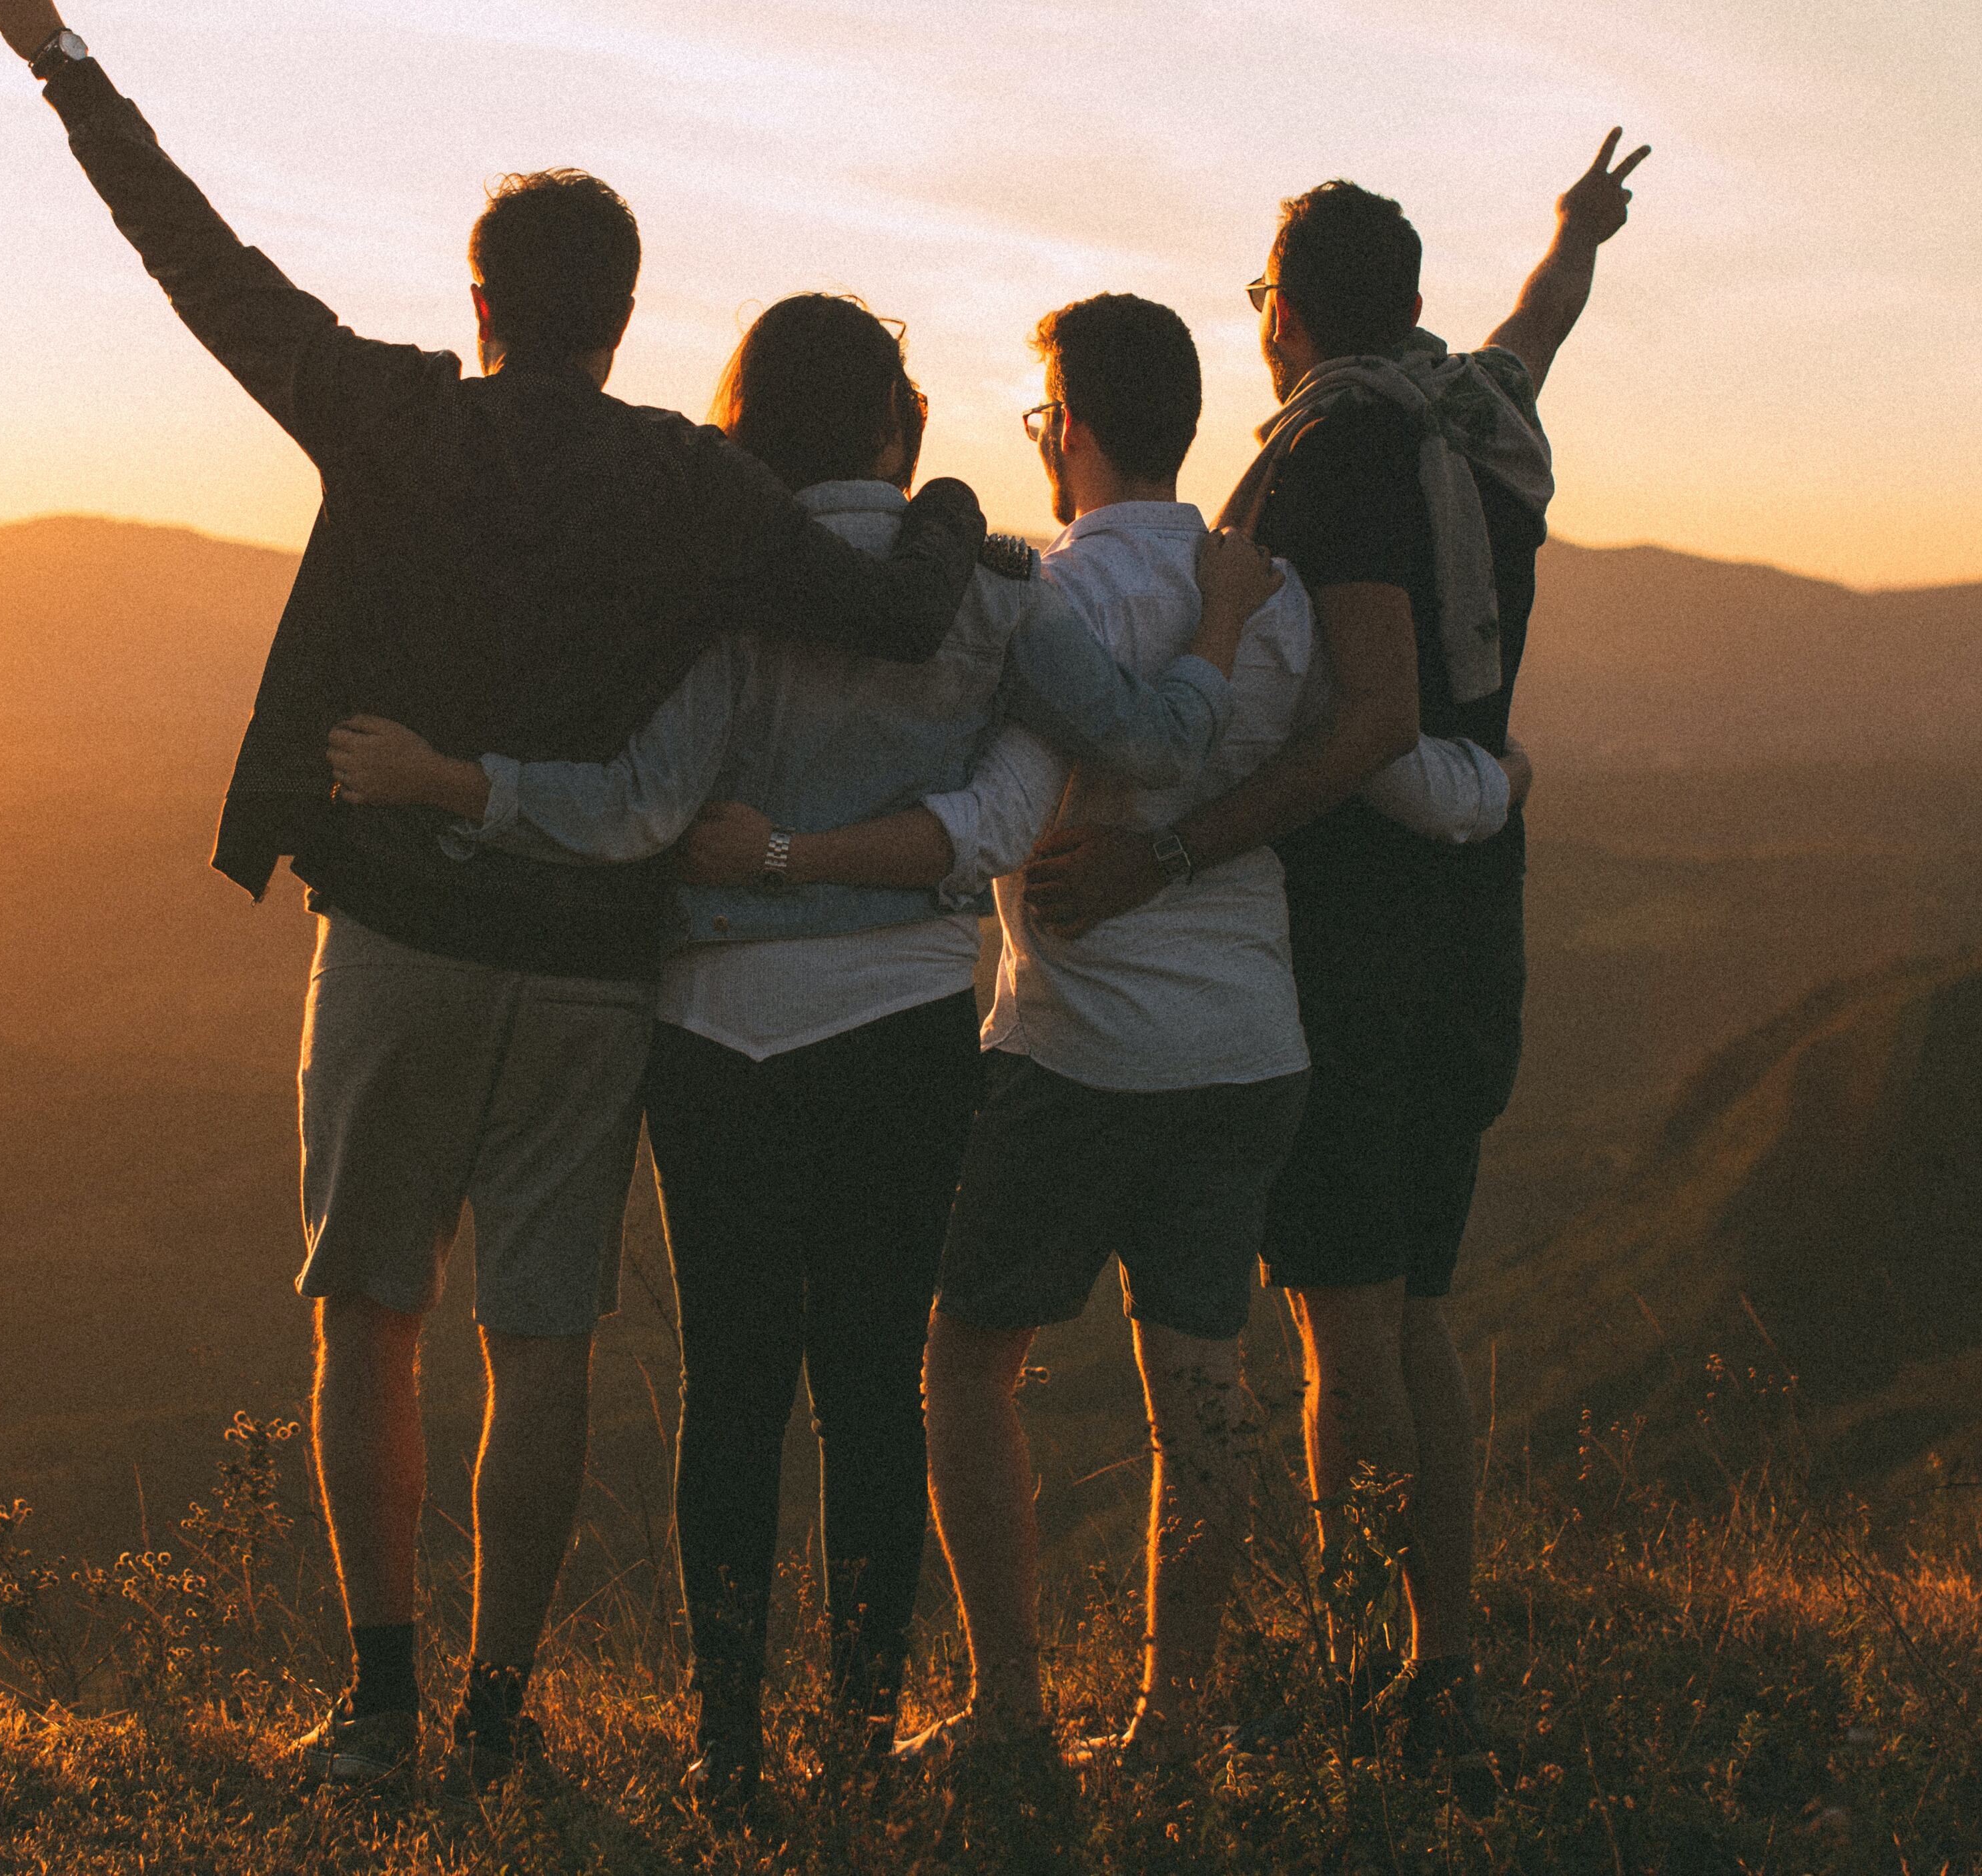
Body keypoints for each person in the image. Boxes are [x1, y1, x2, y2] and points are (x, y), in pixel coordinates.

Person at [0, 0, 997, 1789]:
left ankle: (380, 1704)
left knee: (370, 1309)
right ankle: (505, 1712)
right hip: (594, 968)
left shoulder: (394, 415)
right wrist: (959, 499)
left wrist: (59, 59)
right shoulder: (694, 479)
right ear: (624, 312)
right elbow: (893, 610)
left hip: (401, 934)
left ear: (485, 294)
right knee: (544, 1332)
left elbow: (196, 255)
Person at [322, 291, 1280, 1806]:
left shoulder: (722, 592)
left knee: (734, 1388)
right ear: (901, 430)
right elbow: (1156, 741)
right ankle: (854, 1744)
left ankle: (729, 1747)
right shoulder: (992, 592)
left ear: (744, 430)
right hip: (901, 1027)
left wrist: (464, 786)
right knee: (873, 1389)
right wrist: (1220, 629)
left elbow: (635, 803)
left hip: (715, 1036)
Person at [1023, 138, 1646, 1769]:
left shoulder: (1332, 462)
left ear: (1286, 316)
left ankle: (1382, 1682)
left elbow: (1367, 711)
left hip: (1366, 925)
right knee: (1411, 1302)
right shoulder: (1475, 415)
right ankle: (1431, 1668)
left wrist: (1166, 848)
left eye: (1259, 302)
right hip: (1475, 907)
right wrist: (1577, 233)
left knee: (1345, 1312)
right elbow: (1543, 324)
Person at [876, 294, 1510, 1771]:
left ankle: (1013, 1712)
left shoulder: (1058, 601)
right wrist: (1496, 784)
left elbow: (1019, 809)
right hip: (1249, 1046)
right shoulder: (1274, 602)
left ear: (1070, 428)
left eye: (1045, 419)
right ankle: (1171, 1722)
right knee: (1202, 1389)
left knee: (967, 1358)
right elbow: (1370, 761)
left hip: (1080, 1044)